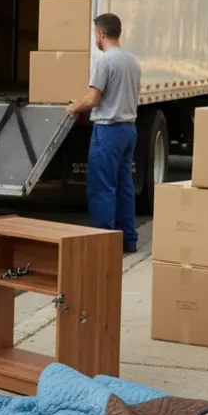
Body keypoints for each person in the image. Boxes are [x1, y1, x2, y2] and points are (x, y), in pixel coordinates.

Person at [65, 13, 142, 253]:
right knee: (124, 186)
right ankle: (128, 240)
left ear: (100, 34)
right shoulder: (132, 60)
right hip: (128, 129)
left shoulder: (104, 61)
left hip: (108, 131)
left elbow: (93, 99)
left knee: (102, 188)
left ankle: (104, 245)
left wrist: (72, 106)